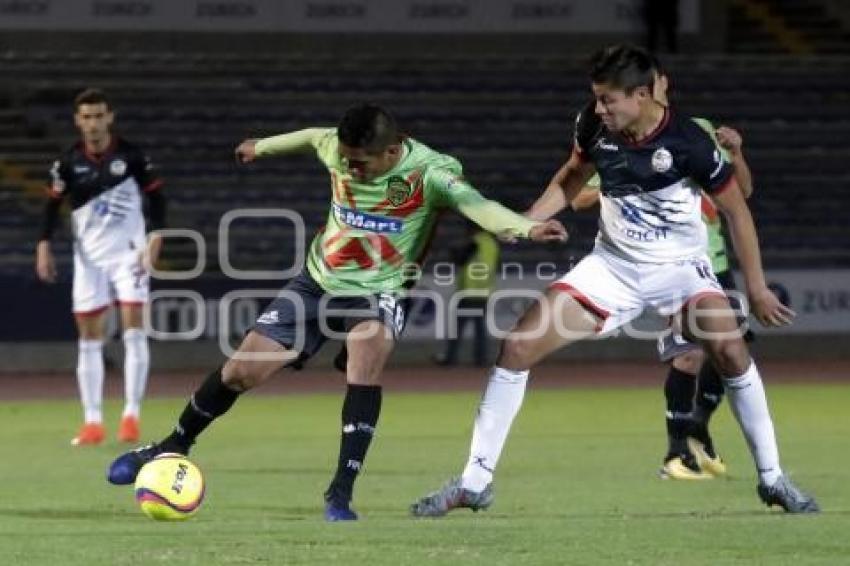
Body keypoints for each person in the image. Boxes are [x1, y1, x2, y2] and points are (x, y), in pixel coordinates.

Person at [411, 45, 819, 517]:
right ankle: (474, 483)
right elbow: (570, 178)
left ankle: (772, 479)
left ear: (643, 95)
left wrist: (758, 288)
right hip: (612, 268)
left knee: (730, 351)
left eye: (608, 100)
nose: (599, 109)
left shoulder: (689, 141)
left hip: (681, 270)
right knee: (519, 344)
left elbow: (737, 211)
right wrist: (525, 223)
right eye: (597, 99)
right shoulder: (594, 126)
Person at [106, 103, 566, 522]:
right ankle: (171, 445)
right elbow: (311, 135)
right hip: (316, 281)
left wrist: (527, 229)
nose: (349, 167)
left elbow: (478, 206)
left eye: (359, 162)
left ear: (391, 151)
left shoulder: (431, 173)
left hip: (380, 290)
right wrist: (259, 147)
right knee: (242, 370)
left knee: (365, 356)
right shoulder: (336, 147)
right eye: (345, 159)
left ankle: (340, 494)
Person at [571, 67, 756, 480]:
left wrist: (738, 154)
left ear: (662, 84)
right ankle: (677, 452)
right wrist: (626, 187)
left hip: (714, 264)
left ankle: (698, 429)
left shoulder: (698, 132)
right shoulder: (621, 141)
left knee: (732, 348)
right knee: (689, 354)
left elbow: (741, 194)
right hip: (666, 265)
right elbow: (579, 197)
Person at [36, 88, 165, 446]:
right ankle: (92, 421)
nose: (92, 123)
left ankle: (131, 415)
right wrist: (43, 244)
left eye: (98, 115)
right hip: (89, 258)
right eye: (86, 117)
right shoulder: (66, 163)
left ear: (110, 117)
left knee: (133, 330)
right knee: (89, 339)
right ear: (78, 121)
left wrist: (155, 236)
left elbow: (157, 198)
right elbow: (51, 205)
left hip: (130, 254)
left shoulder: (132, 156)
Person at [435, 219, 500, 367]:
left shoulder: (474, 243)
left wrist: (451, 250)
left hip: (468, 292)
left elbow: (460, 259)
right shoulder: (492, 244)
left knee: (457, 328)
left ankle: (450, 358)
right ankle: (481, 359)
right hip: (484, 292)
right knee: (479, 328)